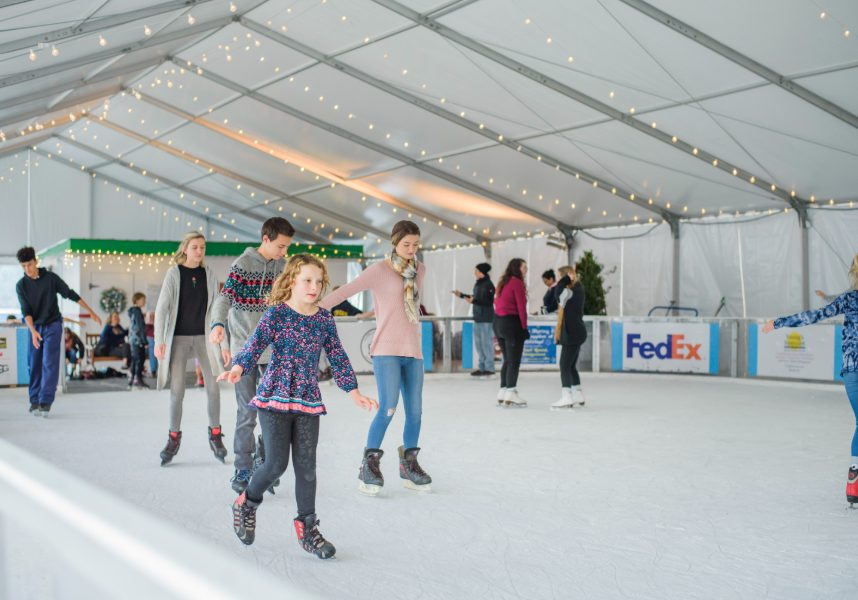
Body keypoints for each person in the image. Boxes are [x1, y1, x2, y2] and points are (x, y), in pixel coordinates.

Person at [221, 254, 377, 559]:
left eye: (319, 282)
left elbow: (337, 355)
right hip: (274, 397)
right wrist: (239, 367)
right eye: (307, 280)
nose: (314, 287)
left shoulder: (323, 318)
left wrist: (353, 391)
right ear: (292, 280)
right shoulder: (277, 314)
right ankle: (247, 503)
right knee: (275, 464)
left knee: (307, 469)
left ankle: (308, 529)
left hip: (307, 399)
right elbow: (254, 344)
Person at [319, 220, 432, 496]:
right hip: (385, 351)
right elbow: (346, 291)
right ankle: (369, 464)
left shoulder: (420, 269)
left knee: (415, 412)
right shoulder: (379, 270)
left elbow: (413, 308)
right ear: (395, 243)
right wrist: (314, 307)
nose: (411, 249)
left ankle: (409, 465)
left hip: (413, 351)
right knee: (388, 408)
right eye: (406, 244)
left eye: (416, 244)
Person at [762, 253, 858, 506]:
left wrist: (779, 322)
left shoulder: (848, 298)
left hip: (851, 370)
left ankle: (855, 479)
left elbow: (815, 315)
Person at [209, 217, 294, 493]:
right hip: (244, 350)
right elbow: (225, 297)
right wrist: (218, 324)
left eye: (287, 247)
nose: (284, 252)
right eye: (280, 246)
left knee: (273, 411)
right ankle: (243, 467)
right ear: (266, 239)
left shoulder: (284, 267)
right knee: (247, 412)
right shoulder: (242, 265)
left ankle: (264, 459)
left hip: (275, 350)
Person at [154, 232, 228, 466]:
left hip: (205, 338)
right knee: (177, 391)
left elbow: (218, 311)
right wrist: (159, 340)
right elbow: (162, 309)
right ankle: (173, 437)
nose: (199, 251)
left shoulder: (209, 274)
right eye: (195, 247)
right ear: (185, 248)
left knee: (214, 389)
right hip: (179, 338)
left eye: (203, 247)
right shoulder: (174, 273)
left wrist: (223, 344)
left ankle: (215, 434)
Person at [15, 246, 102, 416]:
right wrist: (32, 331)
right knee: (34, 364)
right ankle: (34, 400)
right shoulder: (21, 286)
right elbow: (26, 311)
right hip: (35, 327)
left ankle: (45, 401)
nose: (28, 269)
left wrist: (90, 311)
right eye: (24, 266)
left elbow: (70, 293)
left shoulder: (50, 278)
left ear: (36, 261)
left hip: (53, 325)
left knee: (50, 363)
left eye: (30, 264)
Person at [494, 258, 529, 408]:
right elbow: (521, 308)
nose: (526, 270)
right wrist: (524, 327)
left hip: (498, 323)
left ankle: (503, 390)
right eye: (524, 267)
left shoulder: (503, 282)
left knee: (507, 359)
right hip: (511, 324)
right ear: (517, 268)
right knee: (514, 360)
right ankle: (511, 391)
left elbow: (496, 303)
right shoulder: (517, 282)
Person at [551, 267, 587, 410]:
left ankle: (566, 396)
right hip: (577, 332)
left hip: (572, 333)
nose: (559, 280)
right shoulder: (578, 289)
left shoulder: (571, 292)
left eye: (561, 276)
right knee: (571, 366)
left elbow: (557, 293)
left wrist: (565, 279)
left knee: (564, 365)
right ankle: (578, 394)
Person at [453, 262, 495, 376]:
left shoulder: (489, 285)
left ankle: (489, 368)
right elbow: (475, 298)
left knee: (486, 343)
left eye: (476, 270)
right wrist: (462, 295)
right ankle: (482, 367)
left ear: (481, 272)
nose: (474, 273)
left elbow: (489, 302)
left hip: (486, 318)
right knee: (479, 344)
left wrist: (474, 301)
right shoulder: (479, 284)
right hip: (478, 318)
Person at [127, 292, 149, 389]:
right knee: (140, 359)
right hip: (138, 339)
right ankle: (138, 379)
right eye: (143, 300)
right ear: (137, 300)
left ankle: (132, 379)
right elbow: (140, 327)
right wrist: (145, 341)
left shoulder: (132, 311)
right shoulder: (137, 311)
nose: (144, 302)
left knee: (135, 359)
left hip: (133, 339)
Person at [144, 310, 157, 377]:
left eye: (153, 316)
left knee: (153, 347)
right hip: (145, 348)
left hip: (156, 348)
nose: (152, 318)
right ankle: (153, 371)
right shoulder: (145, 326)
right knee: (152, 345)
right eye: (150, 316)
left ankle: (153, 370)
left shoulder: (158, 326)